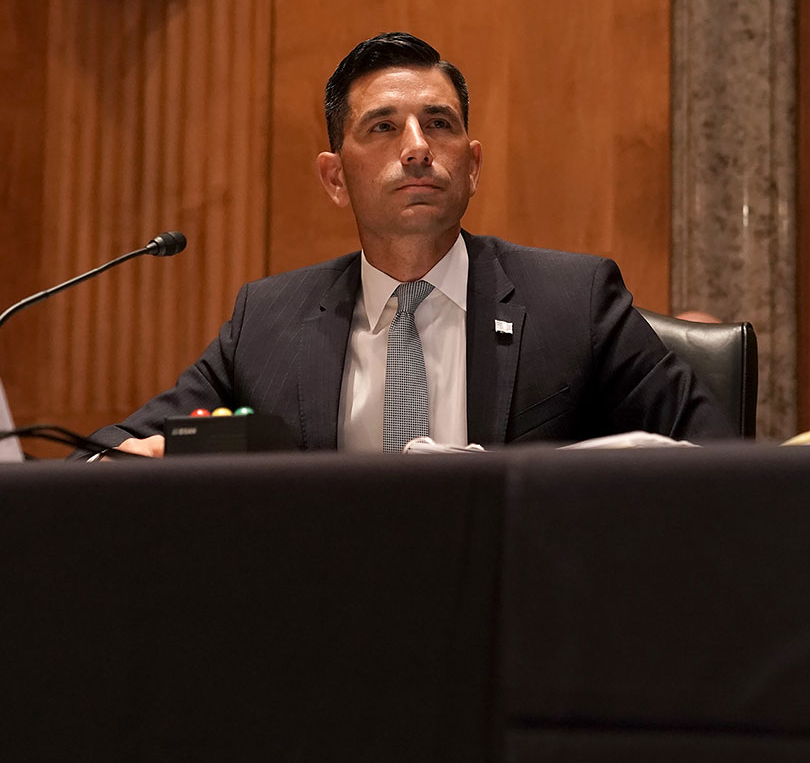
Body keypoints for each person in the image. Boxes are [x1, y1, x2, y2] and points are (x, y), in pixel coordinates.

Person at [86, 32, 734, 456]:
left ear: (472, 165)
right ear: (335, 178)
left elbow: (717, 454)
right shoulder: (269, 323)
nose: (418, 147)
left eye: (440, 124)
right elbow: (115, 446)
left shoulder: (573, 301)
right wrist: (133, 455)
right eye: (384, 126)